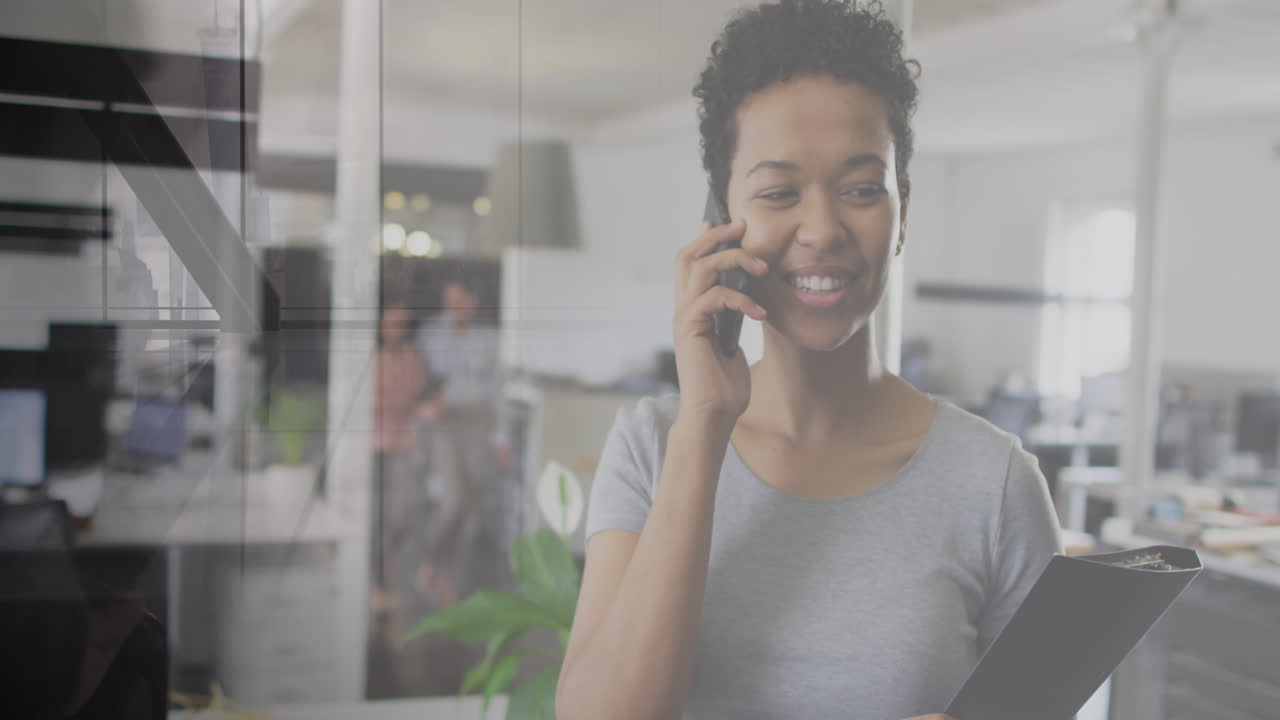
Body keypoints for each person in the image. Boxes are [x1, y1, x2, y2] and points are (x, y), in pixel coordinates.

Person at [555, 2, 1062, 720]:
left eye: (861, 189)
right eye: (778, 193)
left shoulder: (995, 485)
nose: (822, 230)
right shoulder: (651, 447)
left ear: (903, 214)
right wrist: (704, 422)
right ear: (718, 222)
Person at [415, 275, 511, 605]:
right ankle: (430, 562)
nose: (453, 307)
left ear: (473, 302)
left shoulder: (488, 338)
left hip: (478, 422)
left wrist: (501, 439)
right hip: (444, 423)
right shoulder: (430, 335)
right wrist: (421, 426)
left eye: (460, 300)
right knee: (452, 500)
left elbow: (498, 390)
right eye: (448, 300)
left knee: (470, 508)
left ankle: (446, 577)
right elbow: (419, 385)